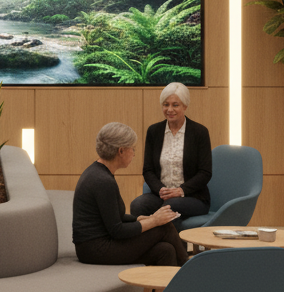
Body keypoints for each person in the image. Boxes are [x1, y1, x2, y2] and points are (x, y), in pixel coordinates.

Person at [73, 122, 189, 267]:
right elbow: (117, 230)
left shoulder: (99, 172)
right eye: (132, 149)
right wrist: (154, 221)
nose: (134, 154)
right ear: (121, 151)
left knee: (166, 250)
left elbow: (115, 217)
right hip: (95, 249)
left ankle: (166, 289)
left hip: (97, 244)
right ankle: (190, 271)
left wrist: (144, 218)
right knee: (163, 227)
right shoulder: (102, 181)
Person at [130, 82, 212, 222]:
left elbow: (205, 173)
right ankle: (147, 244)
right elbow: (148, 170)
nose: (170, 109)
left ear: (185, 106)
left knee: (171, 206)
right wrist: (161, 189)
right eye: (166, 104)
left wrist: (181, 190)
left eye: (175, 105)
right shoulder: (154, 131)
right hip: (161, 195)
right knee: (137, 205)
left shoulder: (200, 132)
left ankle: (174, 244)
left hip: (193, 197)